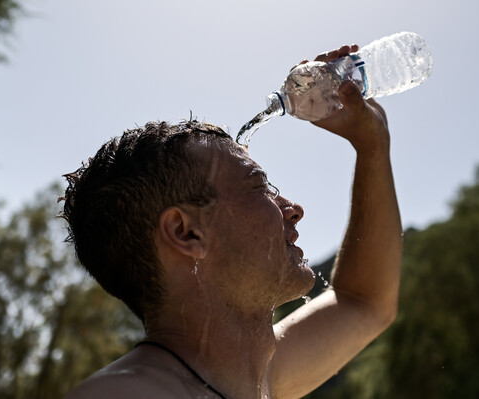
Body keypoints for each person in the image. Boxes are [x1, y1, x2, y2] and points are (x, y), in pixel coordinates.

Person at [62, 44, 403, 399]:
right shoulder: (124, 394)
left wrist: (373, 146)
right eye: (259, 187)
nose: (293, 208)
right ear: (186, 232)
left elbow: (364, 301)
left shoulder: (249, 379)